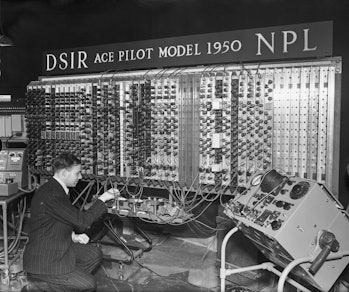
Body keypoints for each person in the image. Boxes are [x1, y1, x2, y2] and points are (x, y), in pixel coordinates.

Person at [22, 152, 118, 292]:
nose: (80, 177)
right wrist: (103, 199)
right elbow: (82, 221)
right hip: (44, 259)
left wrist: (73, 236)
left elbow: (56, 220)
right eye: (77, 173)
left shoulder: (55, 188)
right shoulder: (52, 194)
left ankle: (63, 280)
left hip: (56, 243)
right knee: (88, 284)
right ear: (64, 173)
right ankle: (37, 286)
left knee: (93, 254)